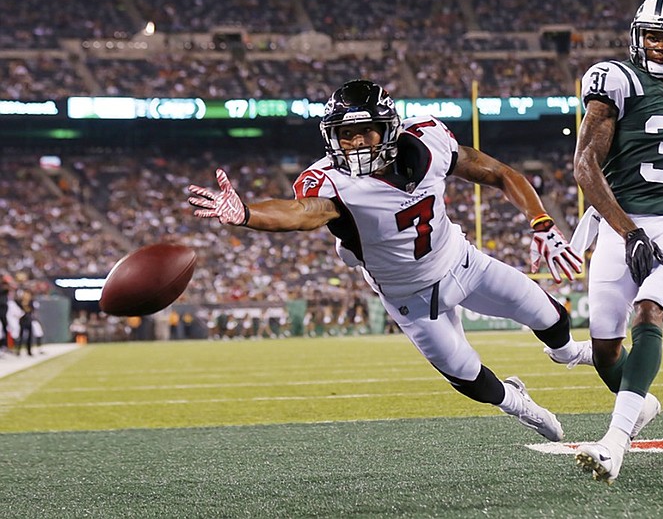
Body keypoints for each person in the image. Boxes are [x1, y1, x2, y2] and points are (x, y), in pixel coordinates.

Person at [189, 79, 591, 442]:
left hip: (461, 261)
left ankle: (567, 354)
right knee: (469, 378)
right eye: (346, 135)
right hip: (410, 297)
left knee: (552, 317)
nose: (358, 142)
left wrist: (542, 223)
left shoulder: (429, 142)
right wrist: (247, 214)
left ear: (389, 128)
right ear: (333, 138)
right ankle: (519, 404)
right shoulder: (331, 181)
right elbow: (299, 213)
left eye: (367, 131)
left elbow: (499, 173)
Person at [571, 0, 663, 483]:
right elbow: (585, 165)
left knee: (649, 311)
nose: (657, 45)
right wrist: (620, 229)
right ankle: (641, 403)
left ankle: (615, 443)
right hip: (621, 224)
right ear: (637, 35)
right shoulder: (615, 80)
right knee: (606, 351)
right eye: (651, 35)